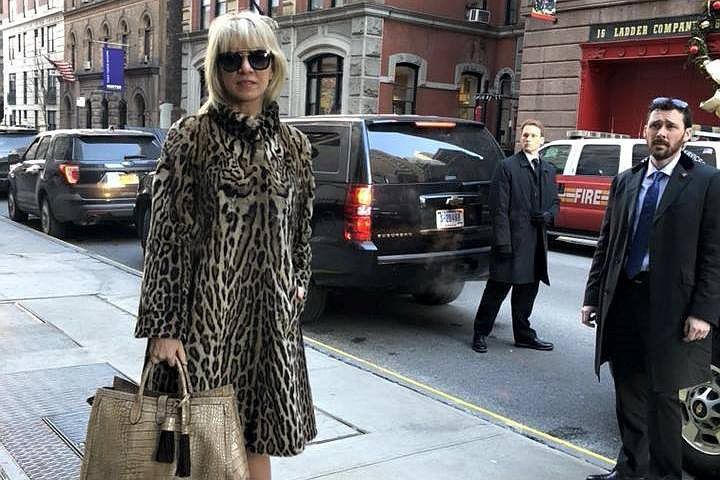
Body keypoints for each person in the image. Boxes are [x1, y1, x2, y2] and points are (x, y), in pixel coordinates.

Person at [134, 11, 316, 480]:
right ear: (216, 69)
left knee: (257, 442)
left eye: (258, 57)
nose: (246, 69)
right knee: (201, 448)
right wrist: (164, 328)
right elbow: (166, 240)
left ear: (274, 65)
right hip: (204, 325)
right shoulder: (190, 138)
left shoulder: (294, 146)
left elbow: (301, 230)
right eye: (232, 60)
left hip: (268, 325)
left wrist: (297, 284)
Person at [581, 98, 720, 480]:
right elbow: (607, 244)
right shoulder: (626, 180)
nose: (662, 132)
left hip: (672, 308)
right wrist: (592, 297)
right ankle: (630, 470)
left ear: (687, 134)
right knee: (628, 390)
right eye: (655, 125)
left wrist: (703, 312)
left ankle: (664, 475)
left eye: (671, 126)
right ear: (644, 130)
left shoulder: (707, 182)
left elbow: (714, 252)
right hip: (624, 299)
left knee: (663, 399)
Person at [471, 119, 559, 353]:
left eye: (533, 135)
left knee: (527, 293)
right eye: (525, 135)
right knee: (496, 290)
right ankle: (480, 333)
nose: (528, 139)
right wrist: (503, 243)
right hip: (510, 241)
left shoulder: (548, 170)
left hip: (535, 243)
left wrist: (548, 215)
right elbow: (498, 208)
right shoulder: (507, 167)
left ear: (542, 140)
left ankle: (524, 335)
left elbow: (555, 202)